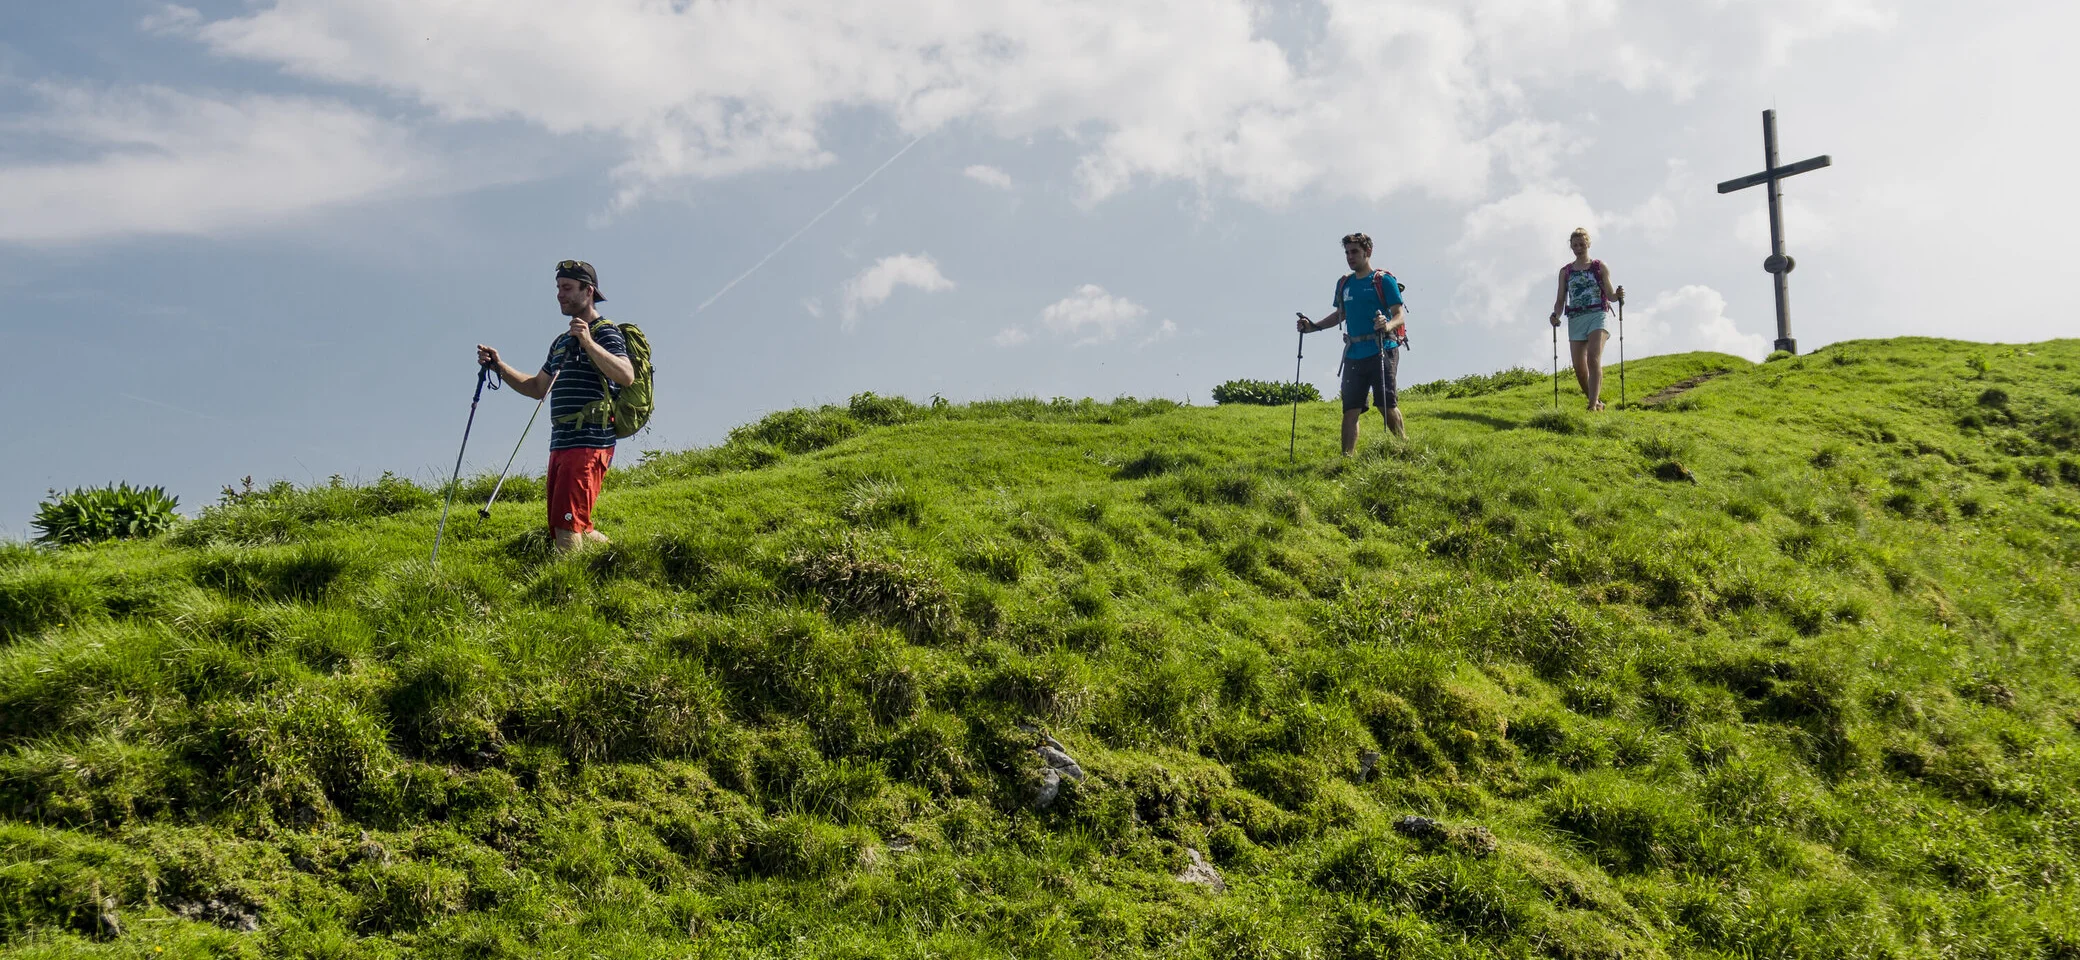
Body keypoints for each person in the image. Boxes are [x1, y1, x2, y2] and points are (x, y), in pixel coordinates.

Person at [476, 260, 635, 553]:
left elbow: (626, 375)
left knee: (566, 528)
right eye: (558, 288)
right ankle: (620, 556)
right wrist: (499, 367)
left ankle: (565, 594)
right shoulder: (561, 342)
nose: (560, 295)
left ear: (589, 291)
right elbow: (537, 387)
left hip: (588, 442)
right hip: (561, 443)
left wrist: (588, 342)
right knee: (575, 525)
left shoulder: (605, 332)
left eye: (567, 288)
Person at [1297, 232, 1406, 454]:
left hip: (1383, 348)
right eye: (1347, 252)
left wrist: (1386, 326)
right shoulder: (1344, 283)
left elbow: (1399, 314)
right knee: (1350, 409)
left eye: (1354, 251)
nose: (1350, 256)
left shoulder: (1383, 280)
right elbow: (1340, 314)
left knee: (1386, 404)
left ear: (1368, 252)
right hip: (1354, 353)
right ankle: (1346, 460)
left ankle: (1403, 448)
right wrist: (1312, 327)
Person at [1548, 228, 1625, 411]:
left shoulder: (1599, 266)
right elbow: (1560, 300)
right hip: (1575, 317)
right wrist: (1555, 316)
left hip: (1598, 314)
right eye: (1575, 245)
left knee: (1593, 358)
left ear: (1588, 244)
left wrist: (1618, 295)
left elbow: (1610, 294)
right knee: (1579, 368)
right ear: (1571, 247)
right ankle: (1596, 401)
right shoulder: (1565, 272)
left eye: (1582, 244)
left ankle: (1591, 405)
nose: (1579, 248)